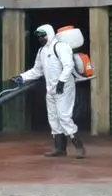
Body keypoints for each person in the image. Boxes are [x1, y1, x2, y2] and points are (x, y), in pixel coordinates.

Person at [11, 24, 85, 158]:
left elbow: (68, 65)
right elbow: (37, 70)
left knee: (64, 117)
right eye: (39, 36)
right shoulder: (42, 51)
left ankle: (79, 146)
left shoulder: (61, 47)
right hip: (50, 89)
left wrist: (62, 81)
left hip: (64, 87)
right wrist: (22, 77)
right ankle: (60, 148)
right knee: (53, 118)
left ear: (49, 34)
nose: (40, 38)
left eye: (43, 35)